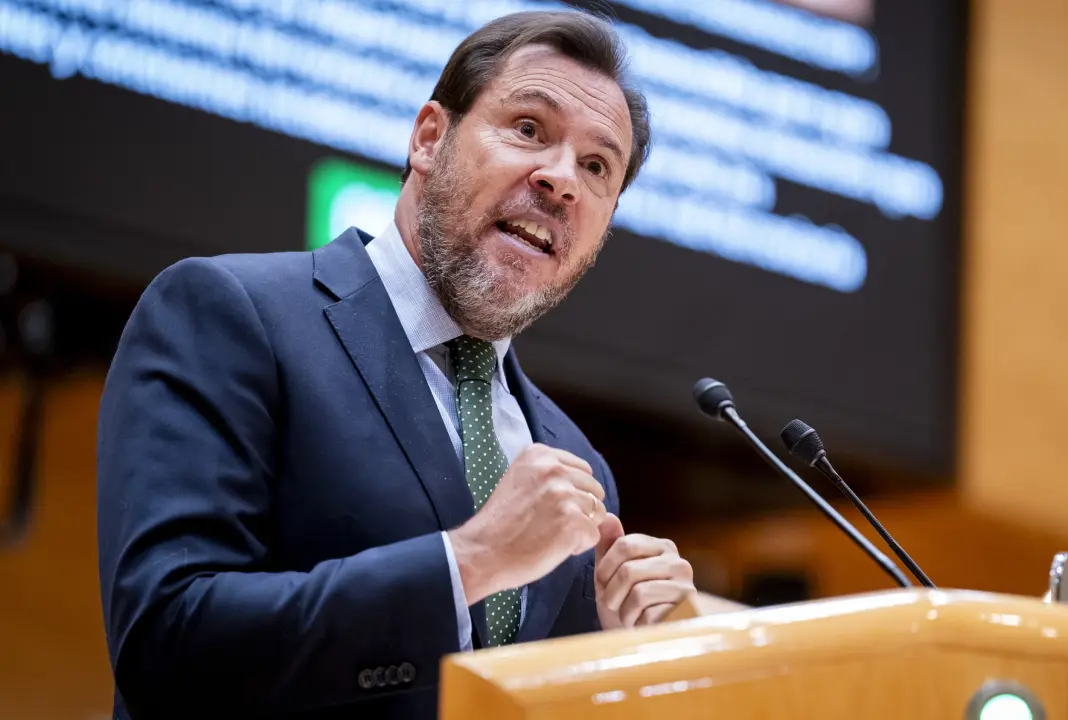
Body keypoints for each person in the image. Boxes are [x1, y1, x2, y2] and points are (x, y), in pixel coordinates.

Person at [96, 10, 695, 719]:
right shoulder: (230, 313)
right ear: (429, 139)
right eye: (529, 128)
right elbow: (164, 642)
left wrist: (614, 658)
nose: (562, 179)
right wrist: (470, 561)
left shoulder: (581, 467)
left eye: (597, 167)